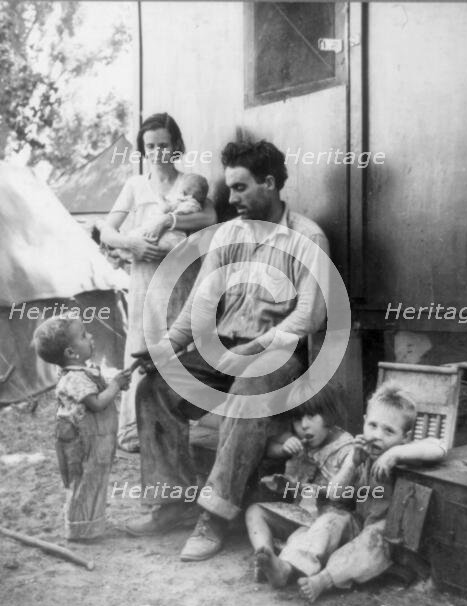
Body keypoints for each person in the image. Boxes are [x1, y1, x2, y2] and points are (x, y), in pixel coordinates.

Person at [125, 139, 330, 562]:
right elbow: (200, 307)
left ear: (269, 184)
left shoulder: (307, 236)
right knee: (155, 387)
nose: (230, 198)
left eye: (240, 187)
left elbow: (310, 316)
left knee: (250, 385)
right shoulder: (229, 234)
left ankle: (214, 517)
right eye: (230, 188)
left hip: (277, 357)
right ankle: (173, 501)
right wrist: (165, 349)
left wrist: (255, 346)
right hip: (223, 350)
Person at [101, 113, 216, 452]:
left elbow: (209, 217)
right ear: (143, 149)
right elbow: (107, 230)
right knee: (143, 340)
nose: (157, 152)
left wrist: (170, 218)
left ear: (176, 146)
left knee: (179, 342)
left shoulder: (190, 183)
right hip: (145, 276)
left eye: (163, 145)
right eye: (150, 146)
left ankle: (180, 424)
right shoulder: (135, 186)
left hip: (180, 276)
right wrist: (131, 244)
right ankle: (137, 428)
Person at [291, 383, 447, 603]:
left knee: (371, 541)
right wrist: (352, 464)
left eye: (389, 431)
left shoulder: (406, 454)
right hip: (359, 520)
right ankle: (294, 564)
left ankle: (324, 580)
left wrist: (395, 454)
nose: (377, 435)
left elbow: (439, 446)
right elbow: (334, 494)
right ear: (364, 421)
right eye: (372, 425)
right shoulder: (359, 451)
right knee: (331, 520)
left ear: (405, 436)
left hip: (388, 533)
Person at [33, 316, 132, 540]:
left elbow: (100, 391)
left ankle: (90, 524)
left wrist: (115, 383)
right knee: (84, 481)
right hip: (82, 442)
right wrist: (116, 386)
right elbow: (96, 404)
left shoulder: (82, 372)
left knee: (91, 480)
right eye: (84, 336)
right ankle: (81, 528)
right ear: (70, 352)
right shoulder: (75, 378)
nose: (91, 337)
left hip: (91, 440)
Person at [245, 381, 354, 586]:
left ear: (329, 415)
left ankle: (284, 570)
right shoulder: (302, 442)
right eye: (297, 420)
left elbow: (344, 493)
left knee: (319, 529)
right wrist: (284, 449)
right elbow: (268, 448)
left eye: (311, 416)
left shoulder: (346, 447)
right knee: (255, 512)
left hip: (328, 518)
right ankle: (265, 554)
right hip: (301, 514)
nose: (303, 426)